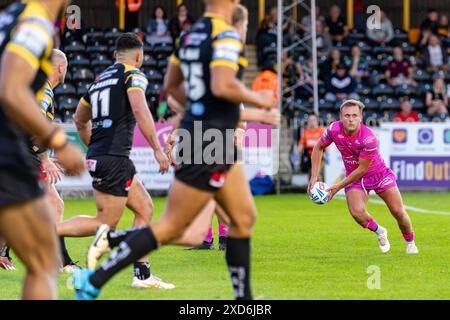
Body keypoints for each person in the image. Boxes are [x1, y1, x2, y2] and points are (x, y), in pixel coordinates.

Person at [73, 0, 277, 300]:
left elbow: (172, 86)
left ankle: (243, 299)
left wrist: (198, 109)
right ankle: (97, 273)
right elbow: (223, 87)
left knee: (242, 217)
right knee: (177, 229)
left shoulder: (188, 37)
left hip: (208, 137)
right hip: (212, 142)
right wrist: (259, 107)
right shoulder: (226, 34)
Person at [58, 33, 174, 289]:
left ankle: (142, 275)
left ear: (115, 55)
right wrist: (156, 149)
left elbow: (79, 119)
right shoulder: (133, 75)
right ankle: (49, 230)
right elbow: (140, 109)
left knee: (144, 208)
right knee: (105, 223)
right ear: (139, 56)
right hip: (113, 157)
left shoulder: (98, 81)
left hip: (107, 156)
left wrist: (95, 148)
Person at [0, 0, 85, 299]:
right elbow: (10, 90)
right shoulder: (36, 23)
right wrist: (58, 144)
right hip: (10, 150)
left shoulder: (10, 16)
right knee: (43, 260)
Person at [308, 100, 419, 254]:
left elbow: (362, 169)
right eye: (347, 115)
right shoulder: (334, 129)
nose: (351, 119)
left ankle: (410, 242)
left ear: (361, 117)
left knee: (398, 212)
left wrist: (338, 187)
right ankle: (380, 231)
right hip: (356, 179)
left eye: (355, 115)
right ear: (341, 117)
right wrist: (314, 176)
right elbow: (318, 147)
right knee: (357, 213)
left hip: (378, 175)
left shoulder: (369, 138)